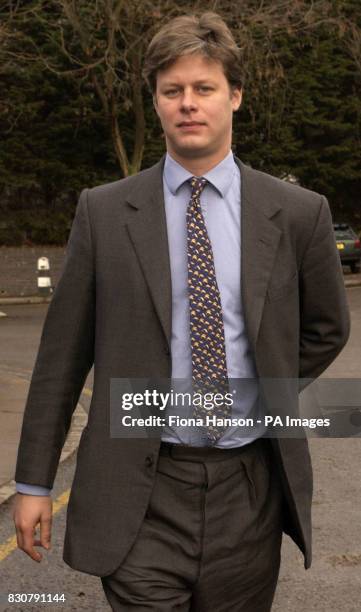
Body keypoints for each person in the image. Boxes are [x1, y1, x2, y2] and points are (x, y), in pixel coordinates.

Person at [13, 12, 350, 612]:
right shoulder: (104, 212)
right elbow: (59, 361)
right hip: (139, 490)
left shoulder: (299, 213)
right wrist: (34, 483)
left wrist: (256, 388)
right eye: (172, 91)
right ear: (158, 101)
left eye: (204, 88)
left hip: (249, 488)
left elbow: (326, 329)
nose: (187, 104)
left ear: (235, 96)